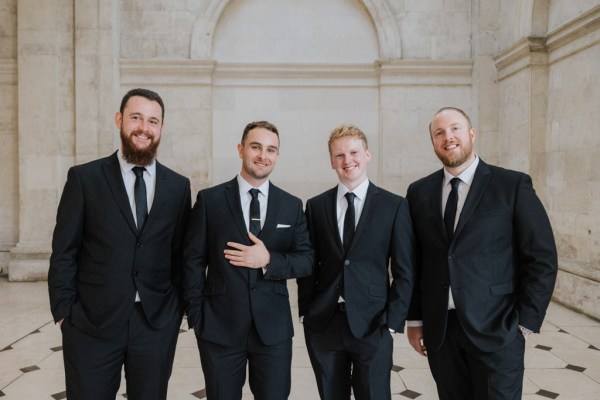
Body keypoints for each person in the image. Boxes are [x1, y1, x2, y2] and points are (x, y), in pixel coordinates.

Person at [48, 88, 191, 399]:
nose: (144, 127)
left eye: (153, 121)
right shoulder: (85, 179)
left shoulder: (178, 187)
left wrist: (175, 310)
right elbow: (64, 252)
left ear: (162, 128)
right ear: (119, 120)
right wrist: (64, 314)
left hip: (155, 323)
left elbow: (181, 254)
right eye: (136, 117)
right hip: (91, 324)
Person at [406, 107, 558, 400]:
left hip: (498, 329)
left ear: (471, 134)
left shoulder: (512, 185)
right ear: (433, 142)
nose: (448, 138)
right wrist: (415, 320)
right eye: (439, 133)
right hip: (442, 332)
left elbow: (542, 257)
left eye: (455, 129)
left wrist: (525, 322)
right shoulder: (419, 192)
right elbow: (416, 261)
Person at [183, 120, 313, 400]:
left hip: (273, 330)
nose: (263, 155)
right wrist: (197, 316)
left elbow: (306, 261)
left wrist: (269, 259)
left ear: (277, 155)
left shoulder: (291, 205)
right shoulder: (210, 200)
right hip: (219, 327)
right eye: (256, 147)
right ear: (241, 149)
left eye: (271, 149)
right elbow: (192, 260)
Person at [297, 123, 415, 399]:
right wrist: (306, 310)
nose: (347, 160)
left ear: (367, 155)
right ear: (331, 162)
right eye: (339, 155)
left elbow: (404, 269)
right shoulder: (316, 206)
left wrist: (392, 321)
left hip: (374, 323)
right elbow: (309, 263)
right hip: (324, 323)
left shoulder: (394, 206)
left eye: (353, 152)